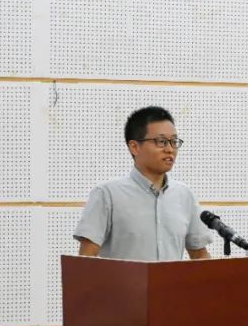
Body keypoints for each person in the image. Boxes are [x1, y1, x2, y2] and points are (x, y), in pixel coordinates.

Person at [73, 106, 213, 260]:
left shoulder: (184, 195)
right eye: (161, 141)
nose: (170, 149)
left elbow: (200, 256)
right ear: (134, 147)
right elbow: (86, 259)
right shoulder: (107, 194)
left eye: (174, 141)